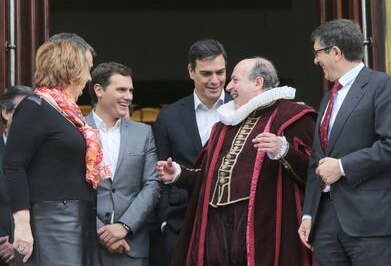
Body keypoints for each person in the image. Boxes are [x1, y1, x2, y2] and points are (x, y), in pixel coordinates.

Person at [157, 57, 316, 265]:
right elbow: (207, 178)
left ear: (258, 83)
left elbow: (316, 173)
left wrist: (284, 150)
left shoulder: (292, 117)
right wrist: (178, 174)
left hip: (261, 228)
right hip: (216, 229)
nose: (229, 86)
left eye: (235, 80)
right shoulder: (224, 125)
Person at [298, 19, 391, 265]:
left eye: (318, 53)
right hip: (325, 222)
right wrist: (308, 213)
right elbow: (317, 159)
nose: (316, 61)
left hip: (369, 221)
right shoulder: (328, 97)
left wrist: (342, 167)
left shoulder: (382, 85)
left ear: (336, 52)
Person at [4, 39, 108, 265]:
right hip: (51, 221)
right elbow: (13, 165)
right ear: (70, 70)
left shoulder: (68, 113)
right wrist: (21, 225)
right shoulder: (35, 106)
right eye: (87, 70)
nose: (89, 78)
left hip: (78, 217)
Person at [152, 38, 231, 265]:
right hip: (180, 221)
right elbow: (160, 173)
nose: (215, 80)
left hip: (231, 218)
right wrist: (164, 220)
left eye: (220, 72)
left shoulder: (242, 109)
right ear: (191, 71)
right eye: (206, 73)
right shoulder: (169, 116)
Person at [86, 62, 160, 266]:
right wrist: (101, 231)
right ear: (99, 90)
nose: (129, 96)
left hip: (132, 246)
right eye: (121, 89)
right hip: (88, 246)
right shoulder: (77, 129)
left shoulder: (143, 133)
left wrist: (124, 226)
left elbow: (152, 185)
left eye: (130, 90)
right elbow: (71, 189)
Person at [0, 86, 32, 266]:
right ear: (6, 112)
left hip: (37, 253)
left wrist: (20, 245)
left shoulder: (46, 156)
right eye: (24, 112)